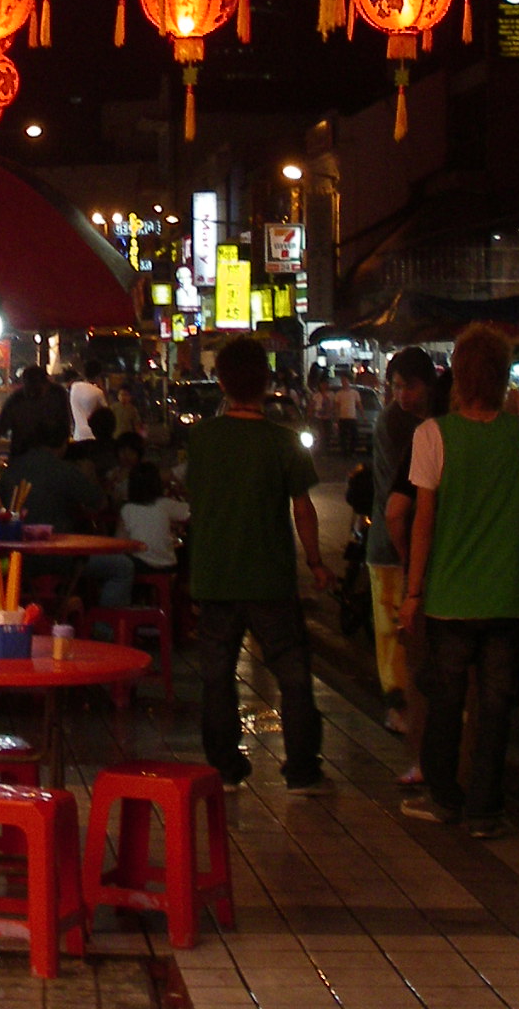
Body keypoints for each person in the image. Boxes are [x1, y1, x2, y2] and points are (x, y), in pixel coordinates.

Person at [399, 325, 519, 838]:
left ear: (458, 375)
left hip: (449, 596)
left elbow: (423, 521)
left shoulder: (433, 435)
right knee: (496, 708)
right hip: (506, 596)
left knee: (446, 702)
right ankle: (485, 809)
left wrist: (413, 592)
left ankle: (444, 797)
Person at [184, 337, 330, 792]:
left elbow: (194, 500)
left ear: (222, 382)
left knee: (217, 676)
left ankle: (225, 767)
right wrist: (316, 562)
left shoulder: (202, 440)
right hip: (271, 577)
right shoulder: (283, 442)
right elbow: (303, 509)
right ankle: (302, 769)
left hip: (215, 575)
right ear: (266, 383)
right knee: (293, 674)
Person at [366, 347, 437, 739]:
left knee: (409, 632)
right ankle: (398, 706)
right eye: (396, 387)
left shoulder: (429, 421)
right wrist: (409, 553)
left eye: (409, 386)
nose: (402, 395)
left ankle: (415, 705)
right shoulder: (396, 423)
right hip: (392, 545)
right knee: (393, 631)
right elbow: (399, 500)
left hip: (414, 544)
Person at [2, 417, 135, 608]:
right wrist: (89, 475)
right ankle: (103, 625)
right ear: (63, 444)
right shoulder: (64, 470)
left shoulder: (12, 468)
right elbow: (100, 503)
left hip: (15, 558)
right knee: (123, 567)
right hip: (59, 559)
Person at [119, 461, 189, 572]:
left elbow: (120, 542)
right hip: (167, 564)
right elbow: (190, 512)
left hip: (138, 563)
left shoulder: (127, 509)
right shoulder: (165, 504)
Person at [0, 365, 70, 454]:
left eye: (36, 390)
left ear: (46, 384)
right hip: (23, 451)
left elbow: (65, 424)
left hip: (51, 450)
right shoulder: (17, 398)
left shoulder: (57, 394)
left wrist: (61, 447)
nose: (32, 394)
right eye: (29, 389)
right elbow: (0, 426)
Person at [68, 367, 108, 444]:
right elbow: (106, 411)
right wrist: (102, 387)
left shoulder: (74, 386)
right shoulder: (98, 392)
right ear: (97, 376)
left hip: (78, 434)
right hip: (92, 434)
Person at [330, 371, 363, 458]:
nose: (344, 382)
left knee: (354, 436)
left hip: (352, 417)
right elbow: (336, 407)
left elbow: (359, 405)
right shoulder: (339, 394)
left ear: (349, 381)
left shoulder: (354, 393)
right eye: (342, 381)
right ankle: (345, 453)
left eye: (345, 381)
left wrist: (363, 415)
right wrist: (336, 418)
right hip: (342, 417)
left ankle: (351, 451)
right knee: (343, 437)